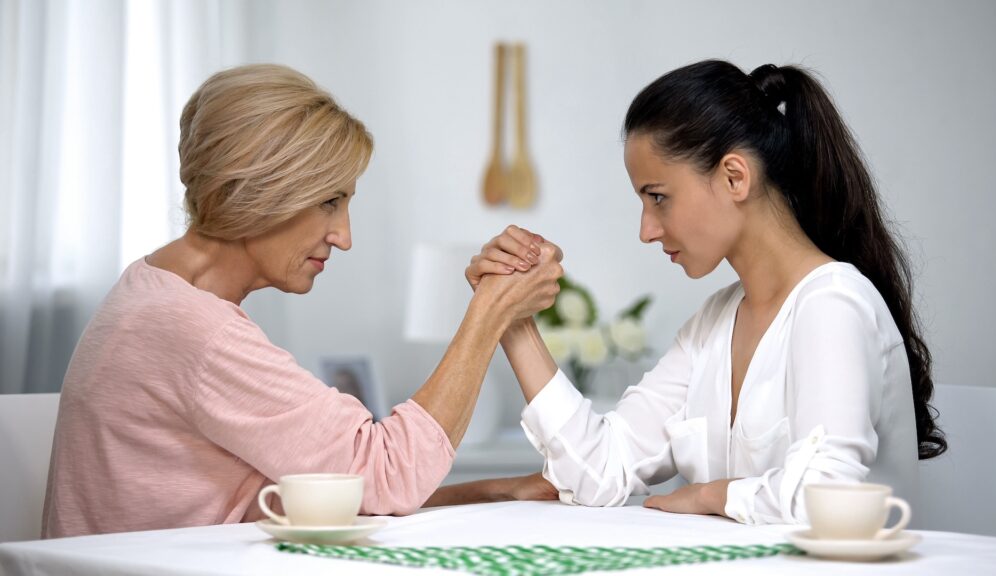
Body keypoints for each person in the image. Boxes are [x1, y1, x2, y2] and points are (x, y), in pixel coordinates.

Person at [42, 64, 560, 539]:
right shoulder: (195, 330)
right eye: (329, 202)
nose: (344, 236)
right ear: (255, 190)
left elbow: (328, 496)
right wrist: (491, 312)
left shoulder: (150, 292)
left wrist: (487, 491)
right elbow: (385, 473)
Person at [467, 60, 946, 525]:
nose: (646, 230)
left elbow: (828, 497)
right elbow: (600, 471)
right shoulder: (713, 324)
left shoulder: (832, 305)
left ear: (735, 177)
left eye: (658, 197)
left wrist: (712, 494)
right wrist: (510, 318)